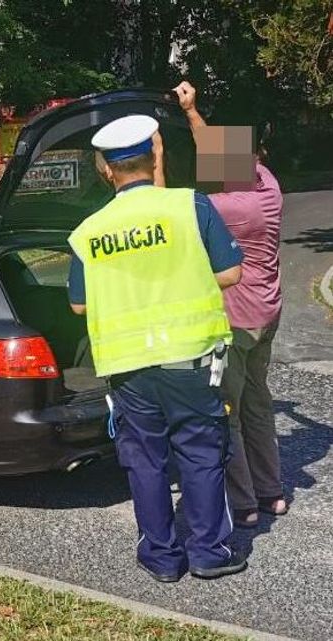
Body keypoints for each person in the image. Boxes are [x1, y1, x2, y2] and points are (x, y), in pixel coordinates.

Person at [67, 114, 247, 582]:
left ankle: (162, 559)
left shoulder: (88, 231)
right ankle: (209, 552)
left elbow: (79, 304)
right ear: (155, 155)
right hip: (191, 360)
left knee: (145, 463)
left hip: (128, 369)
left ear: (106, 169)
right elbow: (231, 273)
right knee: (202, 453)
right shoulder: (190, 206)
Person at [173, 81, 288, 527]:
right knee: (259, 404)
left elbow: (170, 207)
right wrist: (192, 110)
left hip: (237, 321)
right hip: (268, 313)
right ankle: (272, 492)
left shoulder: (223, 206)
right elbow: (221, 150)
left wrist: (157, 163)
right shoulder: (268, 186)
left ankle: (243, 504)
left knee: (230, 412)